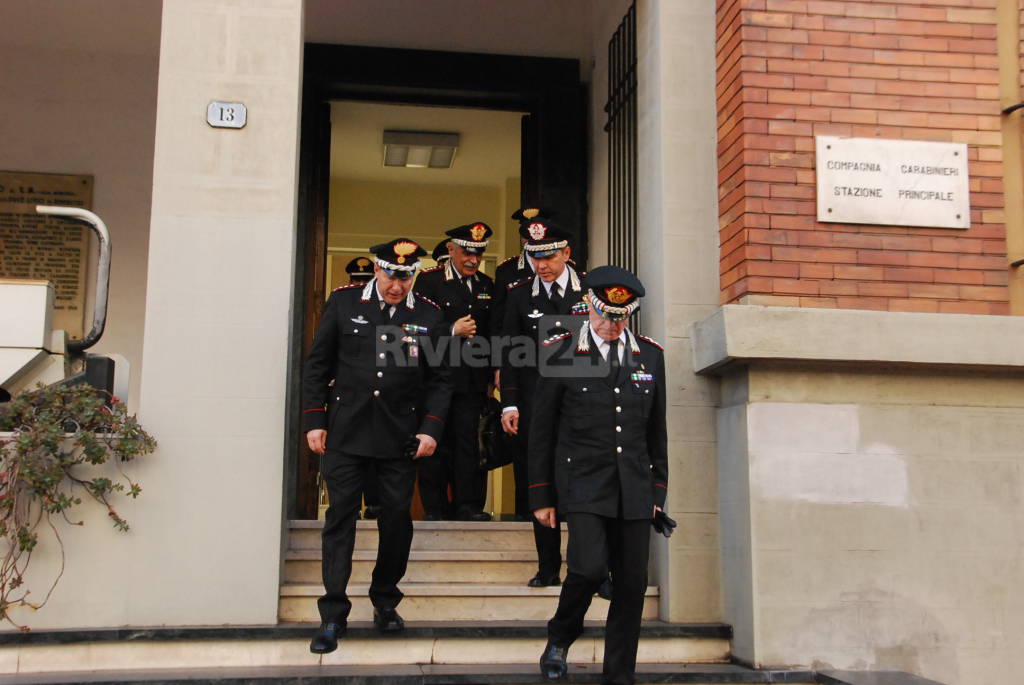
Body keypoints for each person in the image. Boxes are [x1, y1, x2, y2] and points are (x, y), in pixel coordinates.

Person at [302, 238, 452, 654]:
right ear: (376, 268)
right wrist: (315, 419)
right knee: (341, 518)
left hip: (398, 435)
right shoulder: (345, 302)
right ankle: (333, 614)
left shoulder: (428, 314)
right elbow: (317, 364)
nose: (396, 286)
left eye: (405, 277)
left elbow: (440, 380)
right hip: (346, 433)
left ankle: (386, 599)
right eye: (390, 275)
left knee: (398, 519)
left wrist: (430, 430)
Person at [528, 266, 668, 685]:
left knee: (632, 585)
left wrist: (658, 488)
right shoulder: (561, 350)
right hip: (583, 482)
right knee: (587, 570)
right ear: (588, 305)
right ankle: (560, 636)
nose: (611, 325)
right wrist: (541, 495)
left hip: (635, 488)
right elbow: (542, 432)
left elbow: (655, 431)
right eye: (605, 315)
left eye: (620, 318)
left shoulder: (651, 355)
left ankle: (619, 673)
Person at [499, 218, 586, 587]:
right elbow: (511, 352)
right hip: (537, 404)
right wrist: (510, 403)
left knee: (585, 487)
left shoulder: (590, 291)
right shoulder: (519, 294)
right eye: (535, 257)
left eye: (549, 256)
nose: (542, 265)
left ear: (566, 253)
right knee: (542, 481)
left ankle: (589, 569)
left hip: (583, 404)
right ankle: (548, 567)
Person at [414, 222, 495, 521]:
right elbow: (417, 328)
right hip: (435, 378)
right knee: (435, 442)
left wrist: (492, 374)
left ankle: (468, 506)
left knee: (468, 443)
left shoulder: (487, 285)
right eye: (467, 253)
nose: (473, 260)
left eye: (479, 254)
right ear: (451, 250)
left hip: (472, 379)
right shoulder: (428, 282)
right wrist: (451, 329)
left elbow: (493, 334)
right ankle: (435, 509)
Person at [343, 256, 380, 519]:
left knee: (376, 458)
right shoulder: (342, 306)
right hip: (350, 396)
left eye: (365, 281)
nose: (360, 285)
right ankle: (350, 505)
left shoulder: (383, 307)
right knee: (349, 459)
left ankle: (375, 504)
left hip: (380, 399)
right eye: (356, 281)